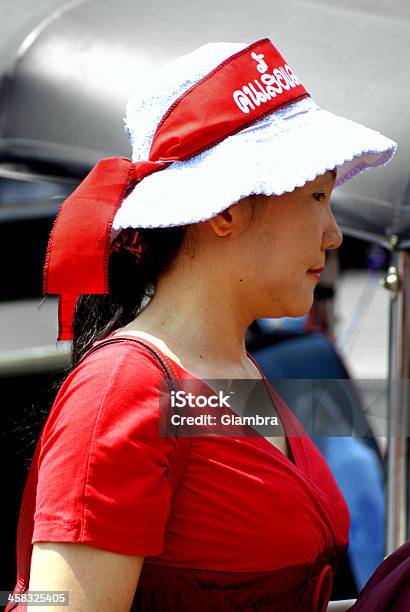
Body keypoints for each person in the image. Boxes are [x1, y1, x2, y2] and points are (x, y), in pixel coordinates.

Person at [17, 38, 397, 611]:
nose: (334, 231)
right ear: (224, 210)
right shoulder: (123, 391)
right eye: (317, 195)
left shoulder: (235, 366)